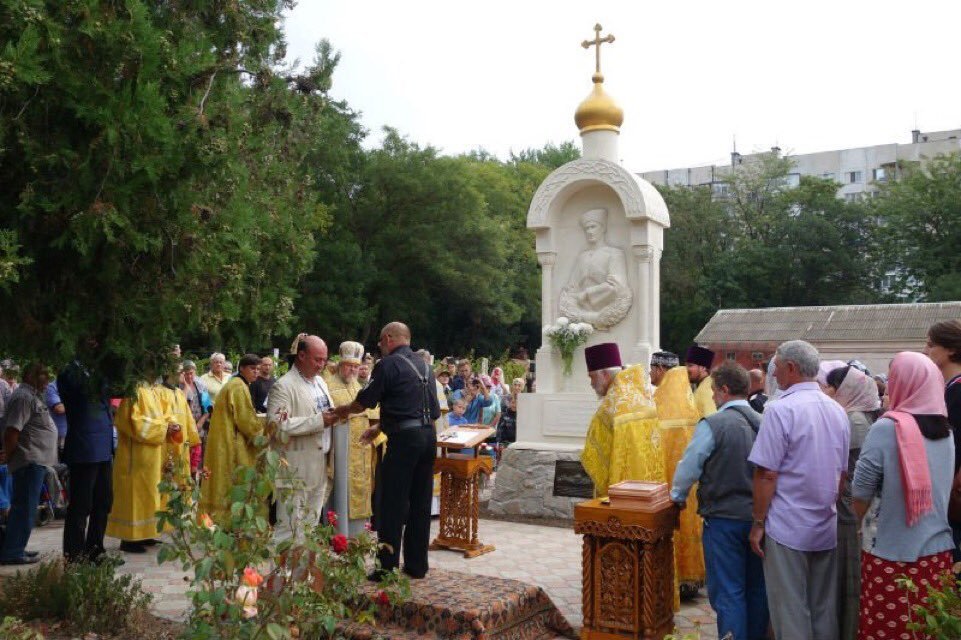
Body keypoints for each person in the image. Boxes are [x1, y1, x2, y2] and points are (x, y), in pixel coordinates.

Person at [747, 340, 849, 640]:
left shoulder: (779, 409)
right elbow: (841, 476)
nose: (774, 375)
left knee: (789, 609)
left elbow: (766, 474)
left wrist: (758, 523)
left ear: (791, 368)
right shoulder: (836, 411)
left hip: (786, 526)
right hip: (823, 524)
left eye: (776, 368)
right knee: (822, 608)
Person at [852, 351, 955, 640]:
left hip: (890, 555)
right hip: (937, 554)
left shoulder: (887, 428)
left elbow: (861, 490)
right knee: (928, 629)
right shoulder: (946, 431)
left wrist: (854, 525)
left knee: (888, 629)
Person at [329, 322, 440, 580]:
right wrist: (380, 427)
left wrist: (341, 412)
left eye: (380, 342)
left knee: (392, 503)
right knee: (420, 504)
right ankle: (416, 565)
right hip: (427, 438)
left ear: (389, 339)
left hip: (404, 442)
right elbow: (427, 410)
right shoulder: (426, 366)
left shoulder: (388, 365)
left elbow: (365, 401)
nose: (379, 347)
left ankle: (384, 568)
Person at [671, 362, 768, 640]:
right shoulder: (764, 422)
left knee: (729, 591)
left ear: (724, 390)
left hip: (724, 519)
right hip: (760, 518)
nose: (712, 396)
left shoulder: (714, 424)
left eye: (714, 391)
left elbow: (690, 465)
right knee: (757, 588)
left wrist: (677, 496)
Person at [822, 364, 881, 640]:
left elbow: (842, 466)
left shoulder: (853, 420)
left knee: (846, 572)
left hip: (846, 506)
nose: (829, 392)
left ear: (846, 389)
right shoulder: (859, 416)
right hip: (850, 503)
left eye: (833, 387)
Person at [267, 337, 336, 541]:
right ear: (302, 355)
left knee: (308, 528)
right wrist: (318, 421)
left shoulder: (321, 382)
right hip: (295, 468)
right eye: (317, 360)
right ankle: (279, 573)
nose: (321, 365)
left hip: (320, 465)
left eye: (324, 360)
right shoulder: (284, 386)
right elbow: (275, 425)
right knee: (288, 529)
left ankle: (300, 572)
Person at [107, 374, 180, 554]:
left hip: (152, 455)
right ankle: (129, 539)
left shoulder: (152, 390)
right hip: (136, 456)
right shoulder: (135, 390)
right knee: (135, 495)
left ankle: (146, 533)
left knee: (149, 493)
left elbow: (165, 413)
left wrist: (172, 424)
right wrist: (164, 428)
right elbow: (133, 421)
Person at [580, 343, 663, 497]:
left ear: (604, 375)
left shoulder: (609, 408)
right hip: (650, 486)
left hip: (621, 491)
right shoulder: (644, 397)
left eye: (592, 377)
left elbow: (594, 459)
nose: (591, 384)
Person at [654, 361, 705, 599]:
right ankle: (690, 578)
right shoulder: (691, 410)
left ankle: (670, 576)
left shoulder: (659, 409)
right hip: (691, 485)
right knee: (690, 524)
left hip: (666, 481)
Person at [0, 363, 58, 565]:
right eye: (43, 375)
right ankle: (12, 551)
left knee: (27, 507)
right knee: (24, 507)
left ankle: (17, 547)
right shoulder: (23, 397)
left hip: (35, 461)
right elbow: (12, 432)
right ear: (31, 376)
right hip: (28, 460)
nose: (47, 380)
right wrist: (9, 455)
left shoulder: (31, 396)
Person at [59, 357, 114, 563]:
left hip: (103, 446)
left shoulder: (97, 369)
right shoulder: (70, 370)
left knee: (104, 501)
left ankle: (95, 549)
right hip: (85, 446)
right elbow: (83, 393)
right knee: (81, 505)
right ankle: (74, 555)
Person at [199, 354, 267, 521]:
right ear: (241, 368)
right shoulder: (238, 387)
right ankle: (230, 520)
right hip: (230, 442)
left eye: (257, 369)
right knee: (235, 479)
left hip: (224, 439)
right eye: (252, 368)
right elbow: (246, 421)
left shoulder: (236, 384)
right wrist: (263, 436)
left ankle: (220, 518)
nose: (256, 373)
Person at [327, 341, 381, 535]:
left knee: (361, 487)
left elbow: (373, 411)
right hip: (341, 447)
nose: (353, 370)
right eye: (350, 366)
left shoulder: (358, 387)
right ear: (340, 365)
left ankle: (358, 532)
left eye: (356, 366)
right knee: (343, 487)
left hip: (361, 446)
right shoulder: (329, 386)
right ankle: (340, 532)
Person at [922, 319, 961, 558]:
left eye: (930, 345)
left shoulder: (957, 390)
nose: (925, 351)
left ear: (951, 350)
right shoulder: (949, 388)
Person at [558, 208, 632, 330]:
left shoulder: (614, 254)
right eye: (586, 228)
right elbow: (572, 287)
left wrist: (587, 293)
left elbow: (617, 286)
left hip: (604, 306)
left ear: (603, 228)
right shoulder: (582, 257)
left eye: (593, 227)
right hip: (581, 309)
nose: (589, 231)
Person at [156, 364, 200, 486]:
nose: (183, 374)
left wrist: (193, 439)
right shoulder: (158, 392)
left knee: (181, 475)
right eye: (180, 371)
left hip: (182, 442)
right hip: (166, 443)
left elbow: (188, 418)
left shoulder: (179, 393)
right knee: (167, 475)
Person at [181, 361, 211, 478]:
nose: (189, 376)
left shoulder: (201, 385)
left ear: (195, 372)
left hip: (199, 426)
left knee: (199, 456)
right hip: (185, 426)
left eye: (191, 373)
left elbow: (208, 407)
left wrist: (200, 422)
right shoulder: (179, 387)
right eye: (186, 374)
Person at [686, 345, 717, 418]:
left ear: (703, 368)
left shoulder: (706, 391)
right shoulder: (705, 386)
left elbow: (711, 420)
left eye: (690, 366)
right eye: (686, 365)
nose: (686, 369)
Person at [44, 379, 67, 458]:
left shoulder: (77, 385)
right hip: (60, 435)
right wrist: (77, 403)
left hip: (75, 433)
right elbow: (59, 409)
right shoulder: (52, 387)